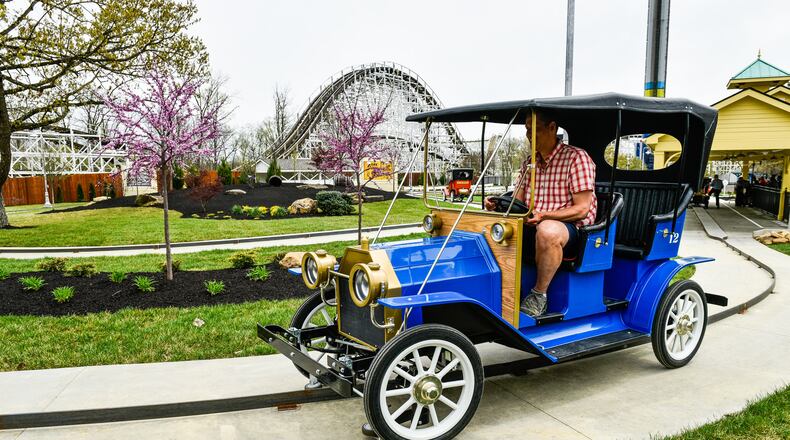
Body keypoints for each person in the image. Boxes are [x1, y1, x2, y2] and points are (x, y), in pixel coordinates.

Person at [484, 110, 597, 317]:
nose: (528, 135)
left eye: (533, 129)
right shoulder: (530, 162)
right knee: (492, 228)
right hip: (534, 224)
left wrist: (544, 215)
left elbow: (582, 209)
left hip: (574, 230)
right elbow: (517, 202)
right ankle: (498, 289)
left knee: (547, 231)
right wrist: (496, 204)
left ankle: (538, 295)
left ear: (552, 128)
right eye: (527, 129)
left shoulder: (576, 158)